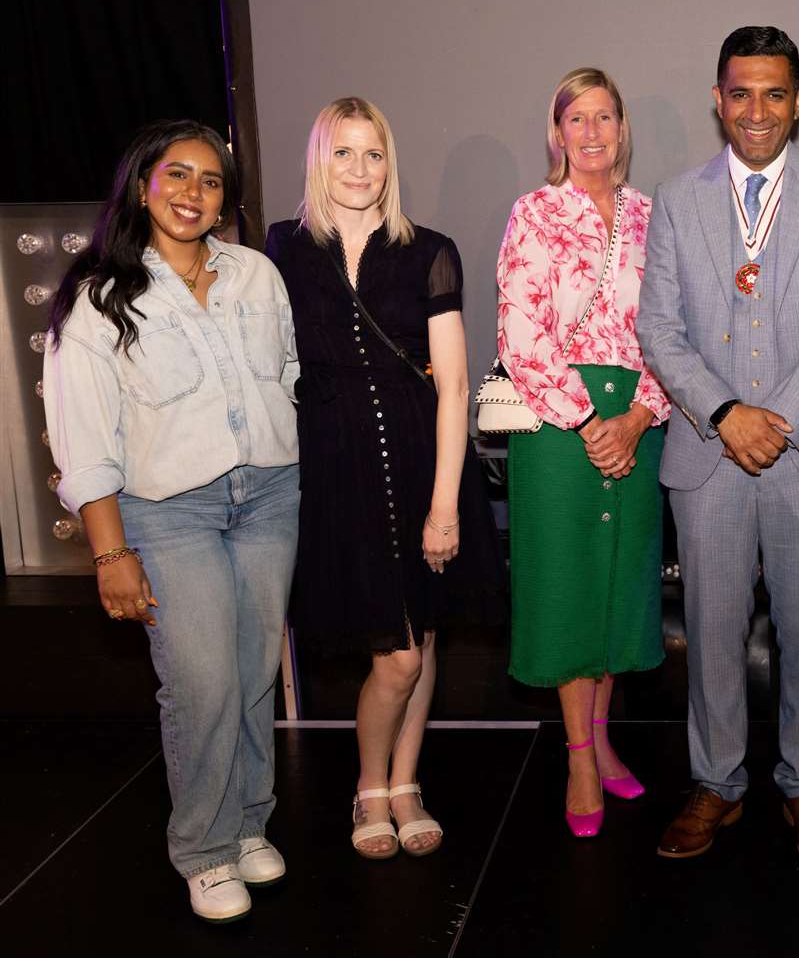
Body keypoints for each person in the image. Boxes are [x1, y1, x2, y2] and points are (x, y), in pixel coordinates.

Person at [43, 120, 300, 922]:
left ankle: (248, 822)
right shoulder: (98, 294)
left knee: (255, 671)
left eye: (211, 180)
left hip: (268, 496)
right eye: (177, 175)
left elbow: (286, 374)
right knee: (201, 681)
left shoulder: (256, 274)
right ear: (142, 185)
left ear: (227, 197)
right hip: (167, 511)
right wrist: (109, 551)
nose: (194, 193)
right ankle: (203, 847)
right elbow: (82, 439)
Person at [637, 26, 799, 867]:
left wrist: (774, 418)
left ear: (798, 100)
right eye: (740, 93)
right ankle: (714, 782)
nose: (757, 111)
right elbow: (658, 329)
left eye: (775, 93)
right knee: (709, 629)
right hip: (708, 453)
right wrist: (724, 412)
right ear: (717, 99)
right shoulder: (676, 197)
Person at [267, 97, 500, 860]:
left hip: (422, 457)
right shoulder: (282, 251)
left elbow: (455, 387)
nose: (360, 169)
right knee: (394, 652)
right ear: (319, 161)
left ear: (388, 163)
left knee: (422, 637)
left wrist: (444, 506)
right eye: (343, 153)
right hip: (338, 468)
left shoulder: (428, 249)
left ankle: (405, 783)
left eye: (373, 154)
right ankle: (370, 784)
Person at [497, 68, 671, 838]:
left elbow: (678, 328)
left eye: (606, 117)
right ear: (557, 132)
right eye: (578, 119)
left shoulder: (650, 216)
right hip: (555, 427)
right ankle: (574, 755)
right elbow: (520, 335)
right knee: (568, 588)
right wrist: (587, 420)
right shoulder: (533, 211)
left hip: (639, 417)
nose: (593, 132)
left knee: (615, 588)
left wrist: (638, 416)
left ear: (622, 128)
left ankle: (601, 742)